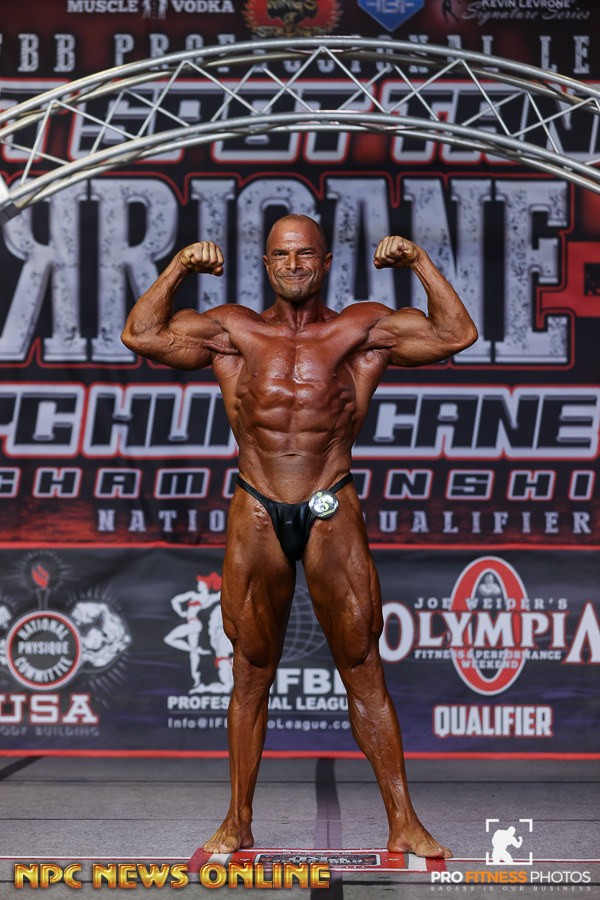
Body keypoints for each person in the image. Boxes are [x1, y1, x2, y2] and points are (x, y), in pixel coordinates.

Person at [122, 214, 478, 858]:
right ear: (266, 264)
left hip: (330, 503)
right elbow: (140, 334)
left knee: (363, 666)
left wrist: (419, 262)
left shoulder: (361, 328)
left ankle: (404, 821)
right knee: (250, 669)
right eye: (282, 256)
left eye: (305, 254)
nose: (293, 265)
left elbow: (457, 333)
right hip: (256, 507)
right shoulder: (233, 330)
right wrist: (179, 266)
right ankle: (238, 821)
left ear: (325, 261)